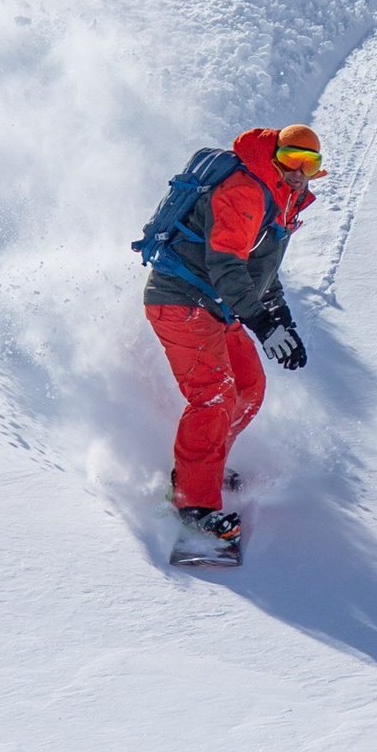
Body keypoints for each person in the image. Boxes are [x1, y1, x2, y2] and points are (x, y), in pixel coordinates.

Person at [143, 123, 325, 542]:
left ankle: (200, 466)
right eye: (290, 159)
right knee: (214, 391)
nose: (298, 170)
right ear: (274, 157)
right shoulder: (246, 190)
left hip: (216, 308)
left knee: (248, 385)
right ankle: (193, 501)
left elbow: (262, 272)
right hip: (181, 301)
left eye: (309, 162)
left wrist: (281, 320)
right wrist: (261, 324)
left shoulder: (282, 198)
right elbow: (227, 267)